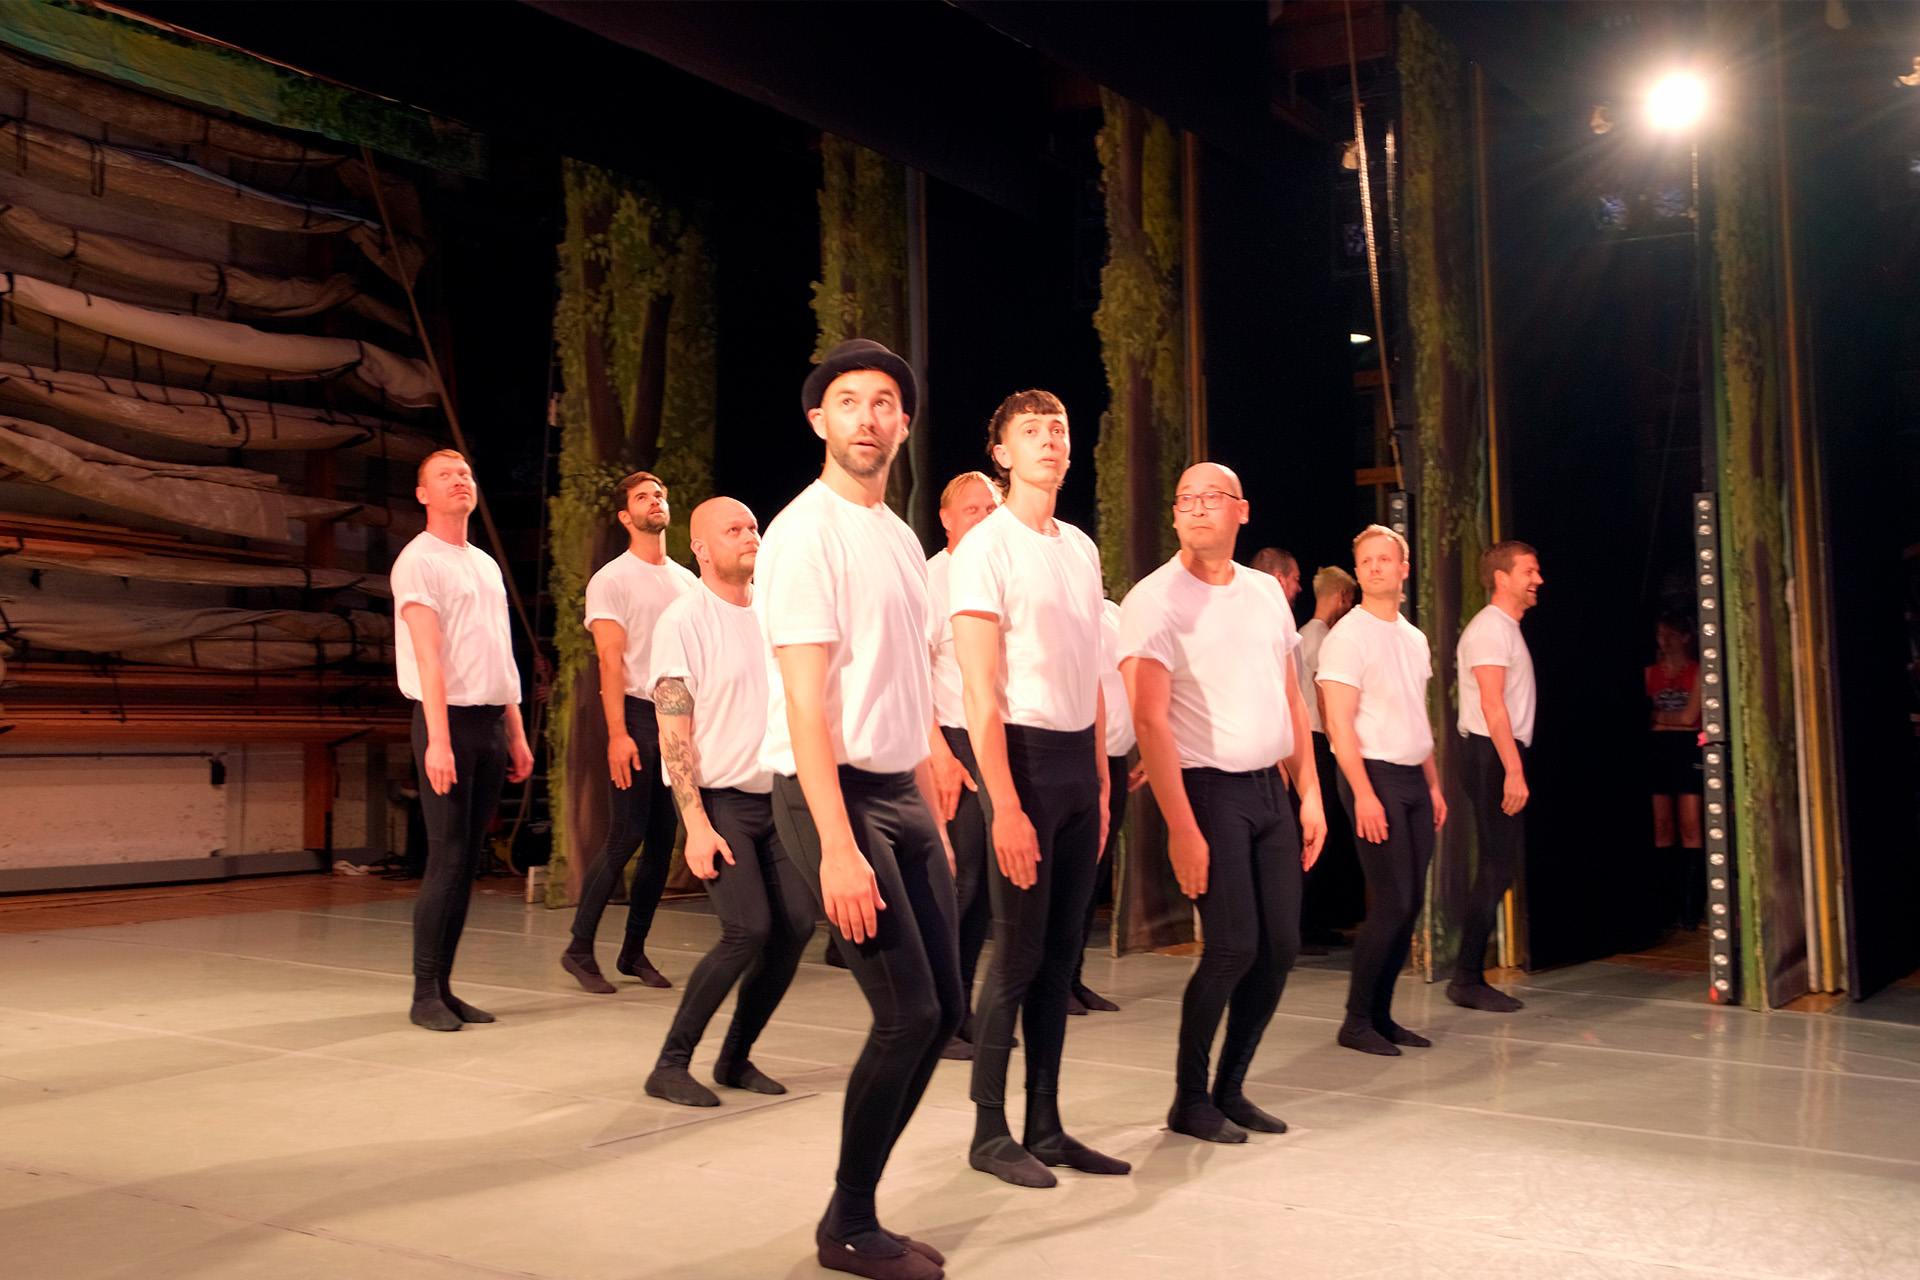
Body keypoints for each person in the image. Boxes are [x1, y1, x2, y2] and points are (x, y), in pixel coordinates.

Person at [758, 338, 960, 1280]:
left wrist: (932, 812)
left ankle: (860, 1208)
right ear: (819, 421)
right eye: (849, 401)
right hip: (830, 796)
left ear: (903, 424)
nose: (867, 417)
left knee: (944, 1010)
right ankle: (847, 1222)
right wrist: (838, 848)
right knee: (906, 1013)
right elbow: (805, 706)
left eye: (884, 402)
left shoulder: (900, 538)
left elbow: (906, 681)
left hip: (901, 796)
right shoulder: (804, 534)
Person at [951, 389, 1127, 1190]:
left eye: (1058, 428)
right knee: (1017, 954)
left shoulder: (1080, 549)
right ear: (1002, 453)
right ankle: (989, 1131)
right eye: (1031, 430)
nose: (1050, 440)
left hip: (1077, 765)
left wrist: (1101, 779)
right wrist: (1004, 804)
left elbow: (1090, 673)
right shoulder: (985, 548)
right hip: (1019, 761)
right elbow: (979, 691)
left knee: (1060, 958)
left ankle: (1046, 1126)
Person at [1121, 463, 1326, 1143]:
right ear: (1175, 514)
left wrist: (1310, 793)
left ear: (1242, 510)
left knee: (1281, 946)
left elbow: (1291, 698)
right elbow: (1149, 721)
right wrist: (1181, 827)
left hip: (1271, 788)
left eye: (1212, 497)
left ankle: (1230, 1088)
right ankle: (1189, 1097)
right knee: (1233, 945)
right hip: (1208, 790)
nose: (1198, 508)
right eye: (1187, 499)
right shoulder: (1155, 599)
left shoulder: (1265, 592)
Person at [643, 497, 815, 1107]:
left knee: (796, 925)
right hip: (720, 803)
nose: (750, 535)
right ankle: (670, 1064)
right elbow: (673, 730)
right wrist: (694, 822)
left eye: (753, 526)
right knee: (747, 929)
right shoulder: (684, 621)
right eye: (733, 529)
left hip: (779, 799)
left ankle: (736, 1057)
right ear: (701, 548)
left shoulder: (774, 611)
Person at [392, 449, 535, 1031]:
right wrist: (438, 740)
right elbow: (428, 657)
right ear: (423, 494)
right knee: (446, 858)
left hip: (490, 723)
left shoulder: (483, 564)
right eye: (445, 475)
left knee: (468, 861)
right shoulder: (418, 561)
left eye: (466, 474)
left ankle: (446, 987)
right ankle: (424, 991)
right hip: (446, 722)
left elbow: (500, 655)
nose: (460, 481)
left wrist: (517, 732)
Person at [560, 471, 699, 994]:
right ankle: (578, 948)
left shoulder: (687, 581)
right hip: (636, 717)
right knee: (625, 835)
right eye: (643, 497)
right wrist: (617, 734)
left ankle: (633, 950)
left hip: (675, 717)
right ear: (626, 516)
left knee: (662, 843)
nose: (655, 501)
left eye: (660, 494)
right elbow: (610, 660)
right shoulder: (611, 579)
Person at [1317, 523, 1446, 1057]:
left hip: (1413, 776)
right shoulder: (1348, 636)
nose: (1374, 567)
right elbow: (1338, 724)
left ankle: (1382, 1016)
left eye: (1383, 559)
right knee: (1391, 902)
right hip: (1373, 776)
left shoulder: (1413, 638)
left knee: (1410, 904)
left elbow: (1417, 716)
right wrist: (1363, 793)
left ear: (1403, 569)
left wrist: (1433, 785)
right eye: (1365, 560)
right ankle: (1356, 1020)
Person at [925, 470, 1001, 1059]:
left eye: (992, 507)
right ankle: (940, 1018)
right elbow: (909, 673)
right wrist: (940, 755)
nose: (985, 517)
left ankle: (963, 1009)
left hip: (1000, 739)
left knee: (988, 891)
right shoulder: (932, 580)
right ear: (947, 519)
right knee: (961, 884)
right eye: (972, 509)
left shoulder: (1005, 569)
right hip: (954, 742)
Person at [1448, 541, 1542, 1013]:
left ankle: (1468, 975)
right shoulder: (1489, 629)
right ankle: (1466, 977)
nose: (1537, 580)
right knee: (1496, 865)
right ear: (1502, 578)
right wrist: (1513, 769)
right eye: (1529, 571)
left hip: (1496, 753)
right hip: (1491, 754)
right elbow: (1492, 704)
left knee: (1498, 865)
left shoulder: (1504, 628)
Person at [1067, 597, 1135, 1017]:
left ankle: (1072, 976)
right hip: (1081, 756)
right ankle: (1053, 981)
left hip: (1115, 758)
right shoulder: (1066, 614)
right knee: (1073, 876)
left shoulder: (1114, 614)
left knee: (1093, 878)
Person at [1297, 566, 1362, 946]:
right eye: (1349, 599)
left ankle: (1310, 921)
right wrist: (1339, 740)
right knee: (1320, 829)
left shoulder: (1303, 634)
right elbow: (1324, 696)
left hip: (1307, 739)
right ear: (1341, 596)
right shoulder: (1322, 638)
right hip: (1318, 740)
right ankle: (1304, 924)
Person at [1647, 613, 1704, 930]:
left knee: (1690, 825)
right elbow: (1645, 716)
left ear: (1685, 637)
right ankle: (1666, 905)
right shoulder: (1650, 673)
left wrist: (1660, 719)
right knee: (1662, 827)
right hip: (1659, 751)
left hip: (1687, 749)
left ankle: (1691, 905)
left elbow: (1689, 719)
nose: (1664, 640)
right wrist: (1667, 720)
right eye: (1660, 634)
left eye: (1670, 634)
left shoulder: (1698, 672)